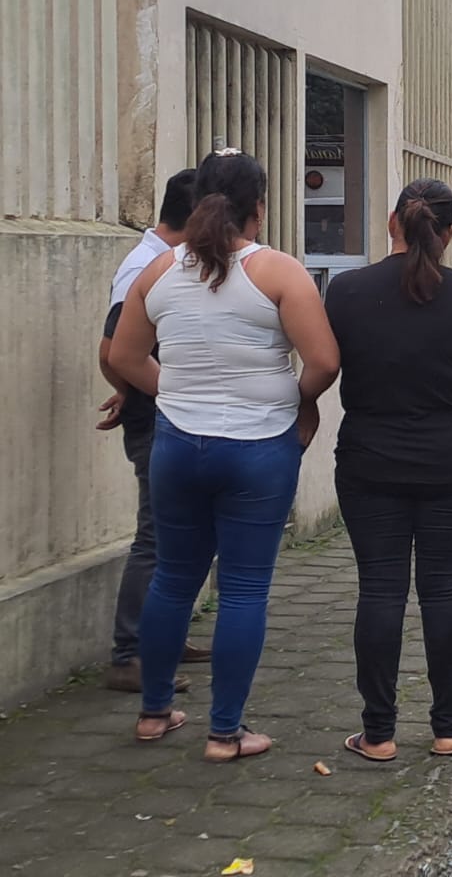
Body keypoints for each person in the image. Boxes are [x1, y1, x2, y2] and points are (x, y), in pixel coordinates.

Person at [110, 149, 340, 761]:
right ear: (258, 208)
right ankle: (225, 732)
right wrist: (296, 401)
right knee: (242, 590)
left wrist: (178, 392)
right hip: (259, 449)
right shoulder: (280, 273)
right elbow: (324, 361)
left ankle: (154, 714)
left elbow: (124, 359)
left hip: (177, 446)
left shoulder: (156, 274)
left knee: (174, 577)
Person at [324, 179, 452, 762]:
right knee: (446, 588)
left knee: (380, 590)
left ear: (392, 222)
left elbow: (332, 361)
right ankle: (449, 728)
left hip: (370, 461)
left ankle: (377, 734)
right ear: (449, 234)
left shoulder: (346, 291)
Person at [98, 169, 211, 694]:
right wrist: (150, 390)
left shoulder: (164, 261)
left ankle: (162, 638)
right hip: (159, 421)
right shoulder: (145, 268)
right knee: (156, 537)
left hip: (164, 413)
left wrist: (129, 387)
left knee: (180, 537)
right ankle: (130, 654)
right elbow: (112, 350)